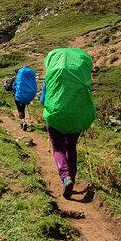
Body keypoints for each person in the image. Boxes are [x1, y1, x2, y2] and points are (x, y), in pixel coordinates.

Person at [40, 47, 95, 198]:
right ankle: (73, 178)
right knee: (71, 147)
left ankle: (66, 178)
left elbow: (42, 100)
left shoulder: (52, 75)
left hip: (56, 116)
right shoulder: (82, 77)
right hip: (77, 117)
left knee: (58, 148)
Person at [5, 65, 38, 130]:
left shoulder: (15, 78)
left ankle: (23, 121)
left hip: (18, 96)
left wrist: (5, 86)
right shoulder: (28, 78)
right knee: (23, 108)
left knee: (20, 109)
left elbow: (8, 88)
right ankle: (23, 121)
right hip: (28, 96)